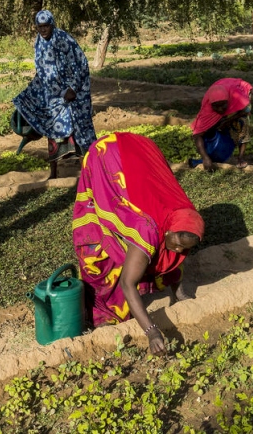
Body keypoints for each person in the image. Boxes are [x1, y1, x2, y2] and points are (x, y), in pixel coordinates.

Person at [73, 132, 205, 355]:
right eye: (178, 242)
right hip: (106, 157)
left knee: (160, 252)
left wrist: (179, 290)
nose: (180, 250)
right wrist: (152, 331)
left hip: (138, 151)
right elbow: (127, 284)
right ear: (169, 231)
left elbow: (179, 245)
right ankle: (103, 314)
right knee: (100, 246)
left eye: (186, 247)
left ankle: (171, 285)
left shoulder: (182, 214)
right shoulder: (146, 230)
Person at [13, 10, 97, 161]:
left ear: (52, 24)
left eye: (46, 26)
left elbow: (81, 64)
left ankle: (90, 164)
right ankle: (55, 170)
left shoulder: (64, 39)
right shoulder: (39, 42)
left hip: (74, 90)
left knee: (82, 126)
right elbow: (42, 69)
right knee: (52, 124)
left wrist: (72, 88)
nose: (43, 29)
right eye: (40, 26)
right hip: (55, 93)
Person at [189, 78, 252, 170]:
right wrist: (205, 158)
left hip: (235, 108)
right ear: (211, 105)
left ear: (228, 101)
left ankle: (240, 157)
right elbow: (198, 135)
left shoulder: (237, 97)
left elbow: (247, 110)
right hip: (221, 123)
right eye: (216, 106)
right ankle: (212, 155)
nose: (220, 109)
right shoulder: (207, 110)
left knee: (242, 122)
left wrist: (228, 120)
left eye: (223, 105)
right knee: (210, 129)